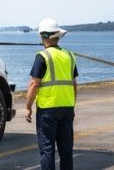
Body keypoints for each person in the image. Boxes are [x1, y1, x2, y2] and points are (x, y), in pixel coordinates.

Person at [25, 18, 78, 170]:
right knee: (66, 150)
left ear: (44, 36)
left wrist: (28, 107)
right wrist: (71, 104)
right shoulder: (70, 56)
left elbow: (34, 84)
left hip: (48, 110)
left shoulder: (42, 56)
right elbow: (74, 84)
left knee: (47, 149)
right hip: (67, 108)